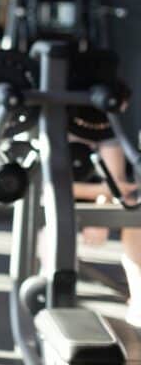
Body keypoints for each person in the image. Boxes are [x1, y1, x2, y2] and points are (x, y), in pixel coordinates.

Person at [72, 137, 141, 326]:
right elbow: (48, 187)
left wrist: (104, 200)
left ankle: (138, 298)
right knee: (50, 229)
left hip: (116, 192)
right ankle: (55, 298)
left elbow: (121, 185)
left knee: (134, 214)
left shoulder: (110, 127)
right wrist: (100, 196)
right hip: (69, 192)